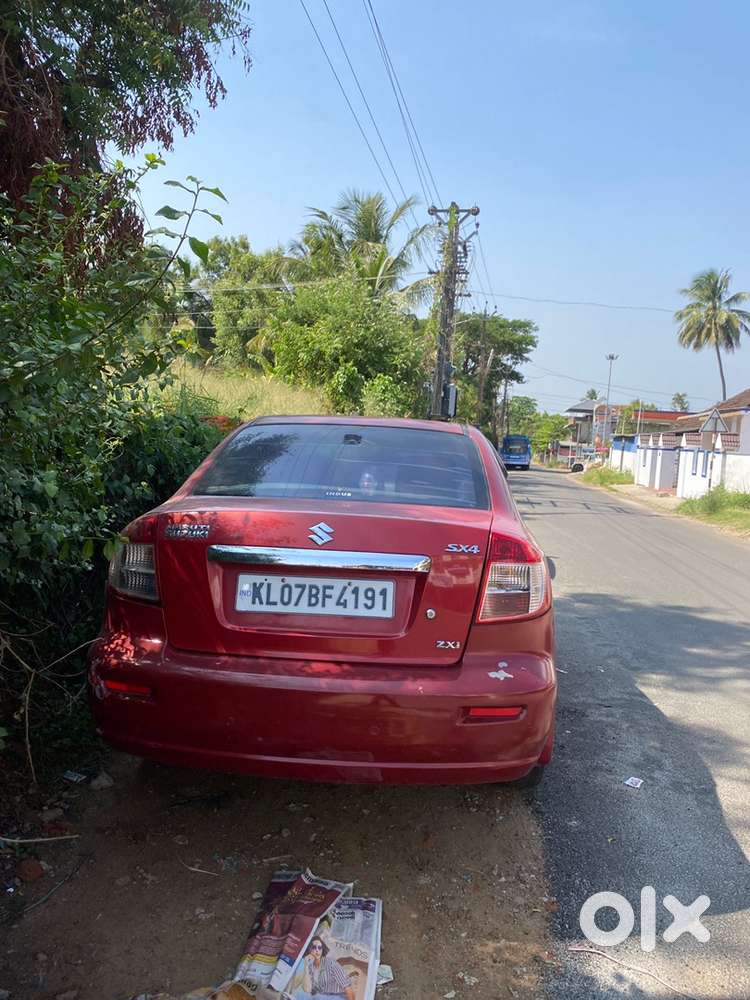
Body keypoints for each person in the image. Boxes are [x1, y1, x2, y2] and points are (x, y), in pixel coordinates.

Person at [283, 935, 354, 1000]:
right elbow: (303, 985)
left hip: (337, 997)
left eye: (320, 948)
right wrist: (306, 966)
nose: (317, 950)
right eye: (314, 947)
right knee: (305, 994)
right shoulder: (310, 966)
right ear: (309, 950)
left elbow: (348, 988)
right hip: (320, 996)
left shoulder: (331, 964)